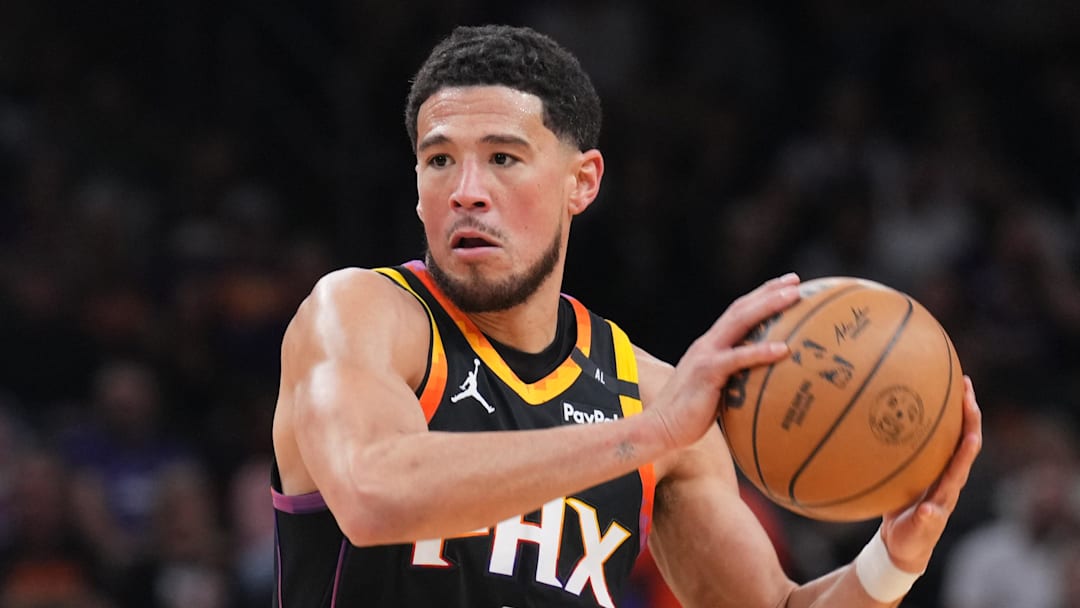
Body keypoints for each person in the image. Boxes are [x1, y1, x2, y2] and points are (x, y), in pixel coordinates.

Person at [270, 24, 983, 607]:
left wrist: (895, 557)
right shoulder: (363, 313)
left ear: (583, 182)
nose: (467, 191)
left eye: (503, 158)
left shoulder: (649, 394)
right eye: (439, 161)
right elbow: (372, 491)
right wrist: (647, 435)